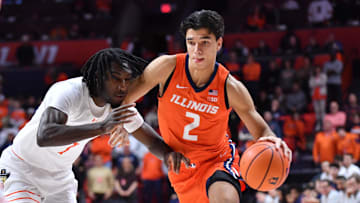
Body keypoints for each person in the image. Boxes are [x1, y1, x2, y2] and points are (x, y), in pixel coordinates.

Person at [120, 10, 291, 203]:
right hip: (182, 169)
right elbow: (123, 101)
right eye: (191, 42)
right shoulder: (166, 68)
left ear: (219, 44)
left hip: (218, 160)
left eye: (204, 42)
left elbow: (260, 129)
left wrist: (274, 141)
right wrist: (117, 122)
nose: (197, 50)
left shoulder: (230, 87)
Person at [0, 48, 189, 203]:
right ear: (99, 77)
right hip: (20, 166)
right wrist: (102, 127)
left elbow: (150, 141)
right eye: (116, 78)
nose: (123, 86)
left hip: (59, 177)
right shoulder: (68, 91)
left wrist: (167, 153)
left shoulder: (118, 106)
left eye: (127, 80)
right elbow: (45, 135)